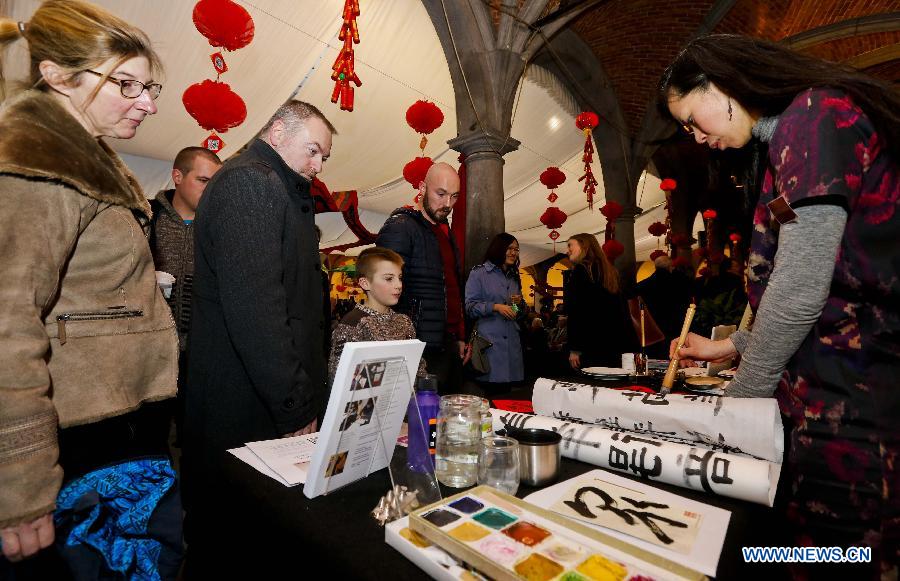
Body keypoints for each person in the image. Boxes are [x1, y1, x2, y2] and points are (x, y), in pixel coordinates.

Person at [659, 33, 900, 576]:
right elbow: (828, 281)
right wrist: (735, 345)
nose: (696, 138)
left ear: (720, 84)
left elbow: (800, 289)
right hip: (825, 396)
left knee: (835, 558)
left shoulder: (811, 118)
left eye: (694, 120)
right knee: (783, 550)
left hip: (851, 411)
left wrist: (735, 412)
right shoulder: (790, 136)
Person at [0, 1, 181, 577]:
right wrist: (21, 485)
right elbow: (7, 327)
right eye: (125, 84)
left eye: (148, 87)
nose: (148, 104)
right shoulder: (37, 165)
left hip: (114, 426)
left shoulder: (88, 159)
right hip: (80, 448)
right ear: (55, 74)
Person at [184, 101, 335, 564]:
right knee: (233, 543)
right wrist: (294, 404)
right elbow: (259, 310)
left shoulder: (276, 186)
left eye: (324, 157)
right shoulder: (251, 182)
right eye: (313, 150)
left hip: (260, 394)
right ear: (276, 133)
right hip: (246, 398)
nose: (317, 165)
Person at [149, 146, 222, 444]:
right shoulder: (146, 218)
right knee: (152, 434)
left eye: (214, 184)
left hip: (203, 353)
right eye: (203, 180)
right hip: (153, 349)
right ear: (178, 176)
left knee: (197, 436)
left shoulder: (220, 228)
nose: (209, 190)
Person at [376, 162, 469, 391]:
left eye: (454, 196)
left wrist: (457, 334)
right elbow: (381, 289)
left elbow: (451, 288)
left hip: (445, 342)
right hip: (415, 344)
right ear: (422, 187)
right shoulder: (402, 226)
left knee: (447, 417)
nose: (448, 204)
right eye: (441, 194)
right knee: (420, 419)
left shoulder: (444, 231)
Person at [327, 247, 426, 386]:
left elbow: (419, 369)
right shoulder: (353, 324)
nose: (398, 285)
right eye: (389, 279)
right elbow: (338, 379)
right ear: (365, 283)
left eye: (400, 278)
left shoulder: (404, 321)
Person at [564, 233, 638, 370]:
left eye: (570, 245)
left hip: (591, 343)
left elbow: (577, 311)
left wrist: (575, 348)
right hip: (615, 342)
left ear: (583, 246)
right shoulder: (609, 271)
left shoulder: (581, 270)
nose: (567, 250)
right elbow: (622, 309)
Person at [463, 233, 525, 392]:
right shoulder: (479, 273)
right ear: (499, 248)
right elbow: (469, 307)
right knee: (488, 396)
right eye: (510, 248)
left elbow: (517, 310)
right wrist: (495, 307)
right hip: (489, 346)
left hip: (511, 346)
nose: (513, 253)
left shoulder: (514, 276)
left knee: (507, 398)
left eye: (516, 249)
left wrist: (517, 307)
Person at [635, 255, 693, 356]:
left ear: (655, 266)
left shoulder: (643, 285)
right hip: (675, 328)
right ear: (670, 267)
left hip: (653, 331)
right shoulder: (681, 283)